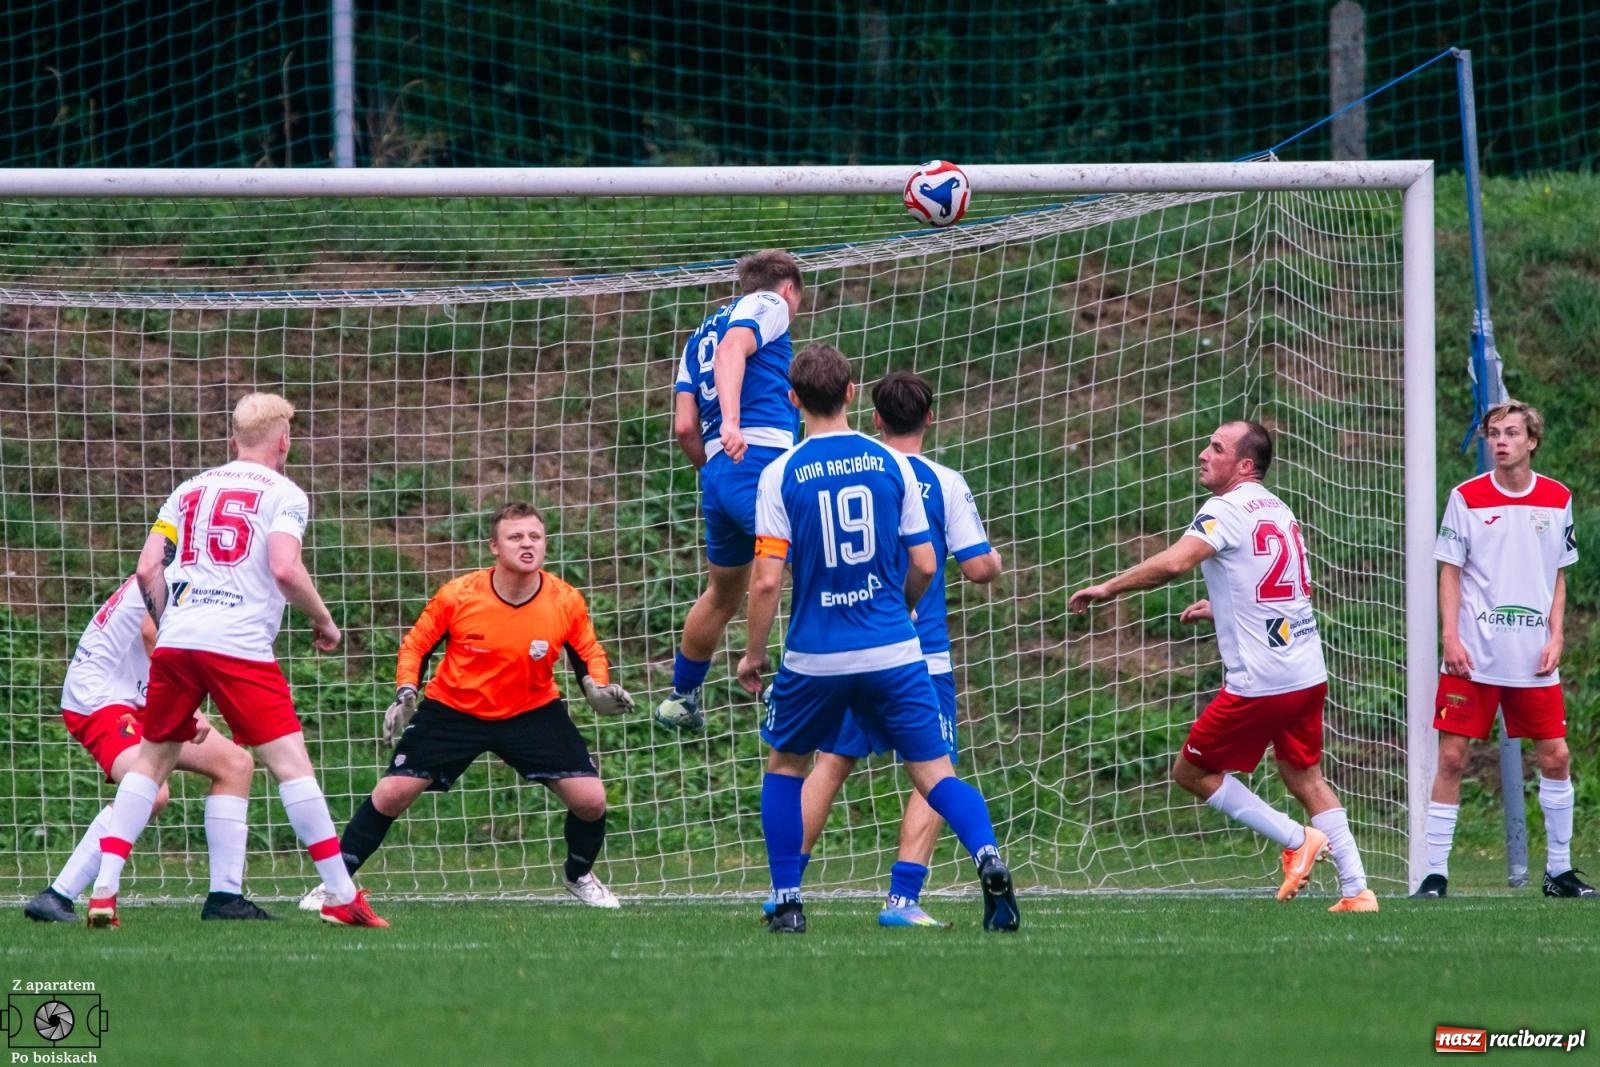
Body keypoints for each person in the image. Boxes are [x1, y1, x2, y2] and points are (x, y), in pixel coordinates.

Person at [735, 342, 1020, 934]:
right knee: (936, 774)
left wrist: (754, 654)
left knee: (789, 766)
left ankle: (788, 900)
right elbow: (923, 561)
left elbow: (764, 581)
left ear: (792, 400)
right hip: (894, 649)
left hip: (816, 655)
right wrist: (901, 610)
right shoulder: (893, 465)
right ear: (848, 394)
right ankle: (989, 859)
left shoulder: (780, 472)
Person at [85, 391, 387, 929]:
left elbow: (148, 568)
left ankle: (104, 890)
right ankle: (342, 895)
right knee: (291, 764)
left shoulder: (188, 490)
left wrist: (172, 618)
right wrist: (324, 619)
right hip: (238, 645)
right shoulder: (286, 493)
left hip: (178, 642)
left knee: (152, 761)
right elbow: (285, 569)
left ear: (232, 441)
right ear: (284, 441)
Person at [1068, 419, 1377, 912]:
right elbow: (1287, 585)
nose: (1203, 454)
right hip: (1305, 670)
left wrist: (1109, 586)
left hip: (1262, 681)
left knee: (1191, 771)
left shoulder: (1226, 508)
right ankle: (1357, 891)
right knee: (1305, 778)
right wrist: (1227, 605)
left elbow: (1174, 564)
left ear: (1244, 465)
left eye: (1217, 448)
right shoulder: (1278, 508)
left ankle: (1297, 838)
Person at [300, 503, 636, 911]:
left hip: (532, 709)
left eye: (535, 536)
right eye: (516, 537)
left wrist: (596, 689)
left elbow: (588, 653)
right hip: (454, 708)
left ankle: (578, 874)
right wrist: (406, 691)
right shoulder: (458, 595)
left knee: (590, 800)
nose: (527, 544)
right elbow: (417, 645)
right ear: (494, 546)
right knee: (392, 793)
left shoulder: (565, 600)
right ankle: (335, 884)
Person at [792, 372, 1003, 928]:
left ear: (876, 419)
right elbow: (979, 568)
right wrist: (993, 559)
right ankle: (902, 899)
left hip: (839, 644)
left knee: (829, 764)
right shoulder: (942, 481)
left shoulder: (851, 468)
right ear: (929, 418)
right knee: (934, 772)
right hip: (917, 654)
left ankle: (784, 888)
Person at [1415, 400, 1590, 899]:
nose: (1501, 441)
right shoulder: (1466, 496)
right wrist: (1450, 636)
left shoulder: (1558, 498)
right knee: (1451, 758)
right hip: (1473, 655)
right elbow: (1449, 569)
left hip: (1533, 656)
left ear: (1532, 441)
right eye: (1494, 433)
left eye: (1512, 433)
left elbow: (1558, 574)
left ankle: (1559, 871)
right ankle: (1434, 876)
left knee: (1555, 757)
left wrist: (1556, 635)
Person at [25, 574, 267, 922]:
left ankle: (225, 899)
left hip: (142, 696)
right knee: (152, 791)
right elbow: (151, 633)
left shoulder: (199, 563)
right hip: (101, 697)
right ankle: (57, 895)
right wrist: (187, 706)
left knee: (235, 765)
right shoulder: (177, 566)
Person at [656, 250, 805, 732]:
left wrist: (715, 466)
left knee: (723, 593)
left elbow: (683, 427)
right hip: (758, 462)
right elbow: (732, 352)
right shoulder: (770, 304)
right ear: (787, 289)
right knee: (815, 562)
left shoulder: (697, 335)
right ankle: (787, 690)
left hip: (719, 473)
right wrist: (737, 425)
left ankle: (680, 697)